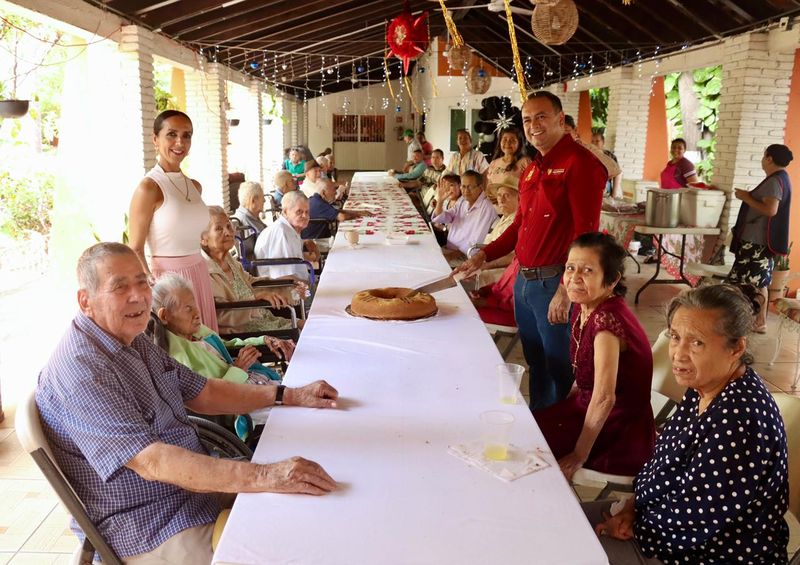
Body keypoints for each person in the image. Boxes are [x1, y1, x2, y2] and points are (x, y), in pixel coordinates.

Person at [36, 242, 339, 562]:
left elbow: (203, 391)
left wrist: (287, 394)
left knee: (313, 510)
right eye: (119, 287)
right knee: (286, 550)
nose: (138, 296)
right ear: (86, 300)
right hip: (151, 523)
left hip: (193, 491)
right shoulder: (82, 372)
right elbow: (153, 462)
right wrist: (267, 475)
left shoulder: (132, 339)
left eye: (142, 282)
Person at [587, 284, 789, 564]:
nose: (678, 354)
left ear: (737, 347)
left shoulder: (741, 420)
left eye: (697, 342)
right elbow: (663, 463)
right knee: (555, 520)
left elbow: (695, 517)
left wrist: (633, 526)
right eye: (675, 337)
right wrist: (633, 505)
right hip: (658, 521)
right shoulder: (703, 387)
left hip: (706, 552)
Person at [456, 91, 607, 412]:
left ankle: (562, 431)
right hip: (524, 282)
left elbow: (587, 236)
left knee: (560, 368)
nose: (533, 125)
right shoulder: (531, 169)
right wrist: (482, 256)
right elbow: (517, 226)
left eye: (541, 117)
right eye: (527, 119)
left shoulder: (580, 163)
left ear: (560, 119)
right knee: (536, 362)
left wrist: (567, 290)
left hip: (555, 282)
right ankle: (543, 425)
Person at [535, 233, 655, 480]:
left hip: (617, 428)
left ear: (611, 280)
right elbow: (582, 369)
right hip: (587, 408)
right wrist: (563, 410)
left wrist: (578, 455)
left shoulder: (606, 321)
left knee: (531, 452)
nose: (574, 278)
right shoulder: (585, 305)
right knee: (525, 430)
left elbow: (604, 398)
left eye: (587, 270)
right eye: (570, 268)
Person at [128, 110, 218, 331]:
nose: (180, 142)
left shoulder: (195, 186)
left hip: (199, 271)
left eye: (187, 135)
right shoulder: (149, 187)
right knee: (183, 351)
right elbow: (135, 247)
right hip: (169, 281)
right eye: (172, 134)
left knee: (207, 347)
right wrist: (153, 283)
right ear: (155, 139)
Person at [152, 273, 291, 386]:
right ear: (164, 316)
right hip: (237, 406)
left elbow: (224, 346)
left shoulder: (197, 332)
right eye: (188, 309)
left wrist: (263, 340)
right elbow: (206, 397)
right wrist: (238, 369)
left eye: (195, 306)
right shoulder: (178, 358)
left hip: (250, 383)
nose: (197, 313)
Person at [727, 143, 794, 332]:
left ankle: (758, 322)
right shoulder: (779, 179)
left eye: (764, 156)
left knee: (756, 283)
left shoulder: (775, 181)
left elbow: (770, 210)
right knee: (756, 282)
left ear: (770, 158)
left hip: (757, 242)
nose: (762, 159)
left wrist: (746, 197)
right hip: (757, 241)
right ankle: (757, 321)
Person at [201, 206, 297, 334]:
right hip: (244, 332)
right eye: (219, 228)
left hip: (262, 318)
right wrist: (254, 300)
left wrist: (286, 284)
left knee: (309, 325)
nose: (228, 233)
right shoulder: (205, 272)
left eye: (229, 226)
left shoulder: (229, 260)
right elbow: (219, 315)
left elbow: (250, 282)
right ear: (203, 239)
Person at [432, 169, 497, 260]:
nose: (466, 191)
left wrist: (452, 256)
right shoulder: (462, 201)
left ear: (481, 187)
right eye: (463, 186)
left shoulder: (486, 208)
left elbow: (477, 240)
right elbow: (444, 218)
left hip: (464, 257)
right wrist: (440, 201)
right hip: (449, 249)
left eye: (470, 187)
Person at [254, 191, 319, 281]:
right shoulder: (281, 233)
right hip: (283, 290)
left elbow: (293, 258)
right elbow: (283, 277)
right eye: (299, 212)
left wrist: (307, 245)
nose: (305, 216)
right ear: (285, 211)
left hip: (299, 283)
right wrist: (311, 287)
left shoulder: (290, 228)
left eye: (307, 212)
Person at [565, 115, 621, 183]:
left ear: (575, 130)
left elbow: (614, 169)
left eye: (566, 130)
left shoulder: (586, 148)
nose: (563, 135)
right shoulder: (554, 149)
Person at [485, 128, 531, 203]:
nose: (508, 143)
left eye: (512, 140)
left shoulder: (525, 162)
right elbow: (489, 187)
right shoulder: (494, 163)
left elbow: (531, 188)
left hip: (515, 209)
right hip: (495, 209)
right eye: (504, 139)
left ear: (519, 143)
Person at [591, 131, 622, 198]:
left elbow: (617, 174)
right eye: (592, 141)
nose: (594, 143)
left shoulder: (610, 156)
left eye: (597, 141)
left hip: (606, 187)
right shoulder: (588, 155)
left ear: (603, 142)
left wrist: (614, 193)